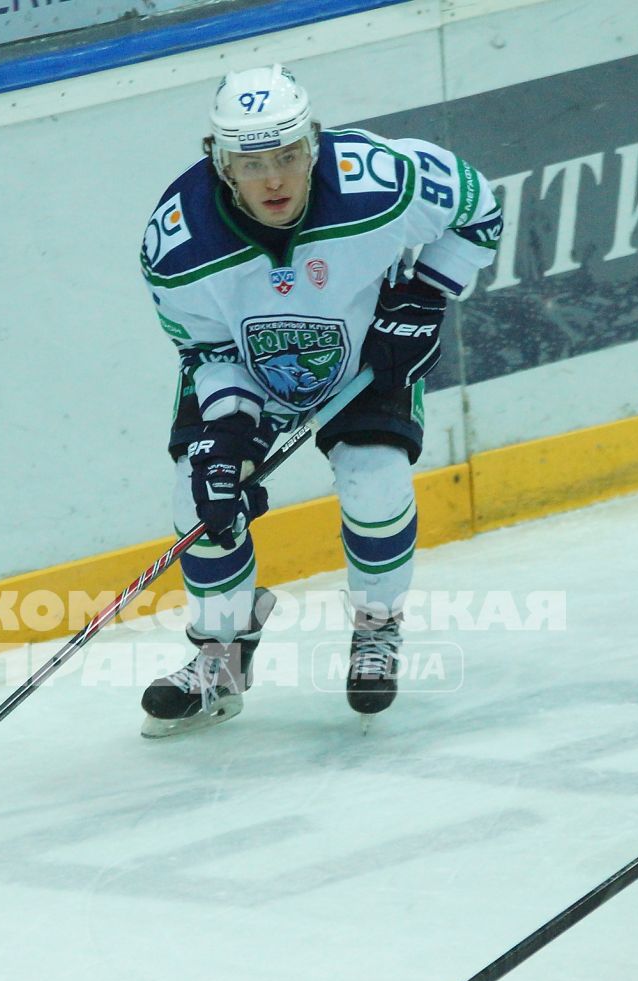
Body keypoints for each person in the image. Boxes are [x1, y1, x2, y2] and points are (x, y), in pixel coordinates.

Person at [137, 64, 502, 735]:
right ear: (220, 163)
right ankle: (221, 654)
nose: (274, 179)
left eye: (288, 155)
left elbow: (479, 208)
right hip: (248, 371)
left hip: (369, 354)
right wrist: (230, 437)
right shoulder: (178, 242)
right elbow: (207, 352)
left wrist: (425, 296)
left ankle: (377, 627)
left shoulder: (384, 179)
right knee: (202, 499)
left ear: (314, 142)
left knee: (376, 477)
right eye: (251, 163)